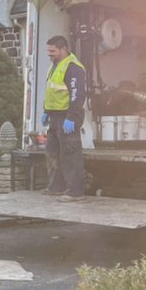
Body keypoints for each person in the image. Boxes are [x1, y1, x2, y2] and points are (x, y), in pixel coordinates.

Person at [41, 35, 87, 201]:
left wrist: (72, 117)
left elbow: (78, 94)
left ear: (63, 49)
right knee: (53, 153)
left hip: (67, 116)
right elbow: (51, 91)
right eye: (49, 51)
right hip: (54, 116)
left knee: (70, 154)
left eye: (52, 51)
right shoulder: (54, 66)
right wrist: (46, 110)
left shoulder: (73, 67)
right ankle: (56, 187)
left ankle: (75, 192)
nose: (50, 54)